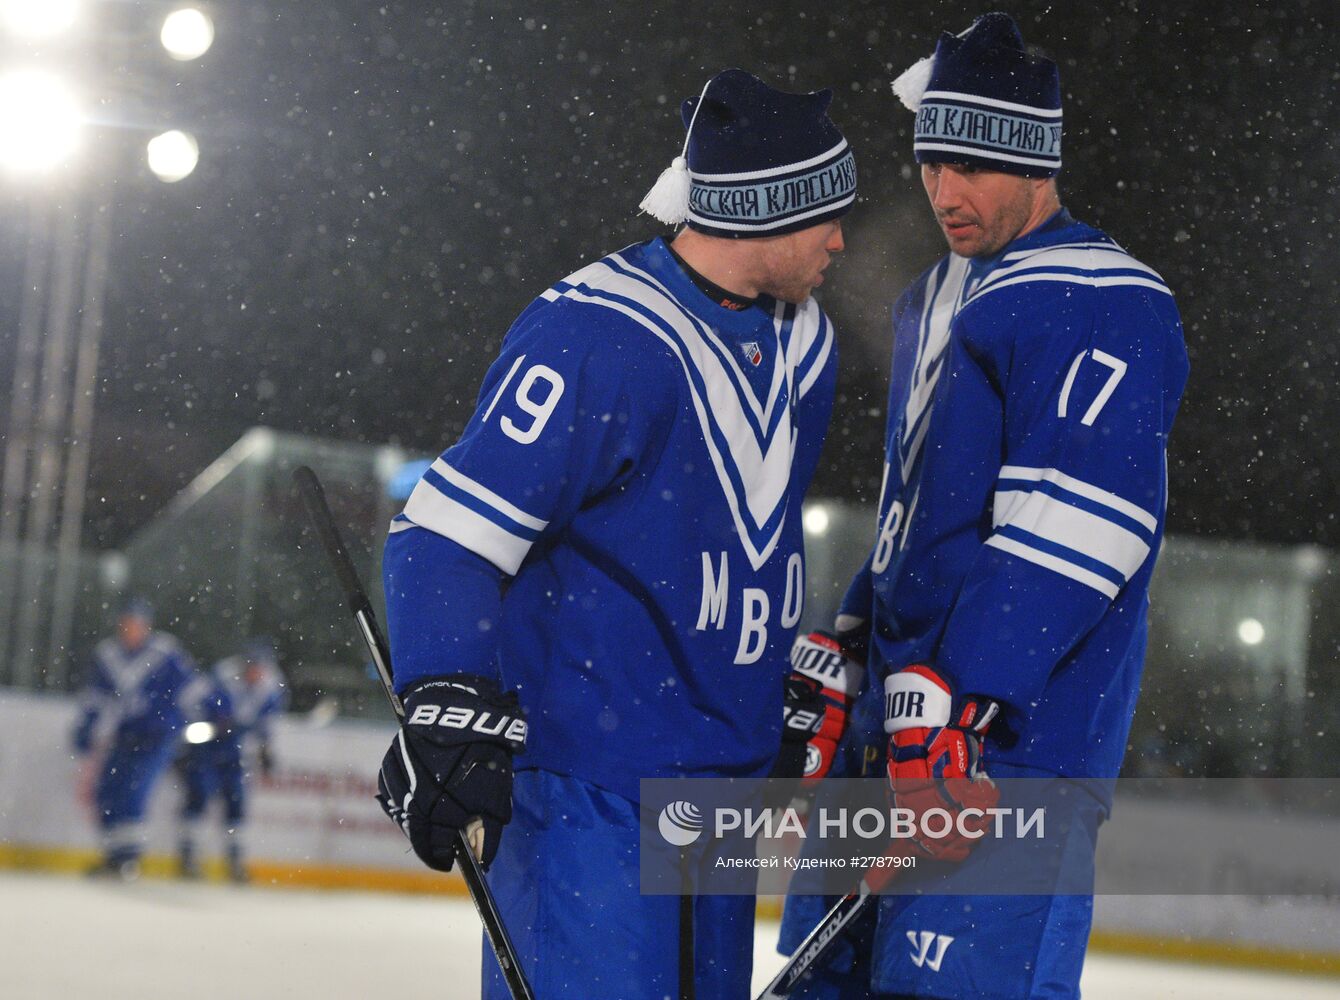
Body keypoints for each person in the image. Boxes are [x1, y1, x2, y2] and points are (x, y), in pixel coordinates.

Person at [376, 68, 859, 998]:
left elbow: (746, 538)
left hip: (720, 795)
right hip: (587, 789)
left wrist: (775, 680)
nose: (844, 237)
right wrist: (444, 699)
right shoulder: (594, 334)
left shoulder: (809, 343)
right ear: (763, 209)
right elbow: (447, 535)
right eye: (825, 212)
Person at [778, 13, 1189, 999]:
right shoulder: (933, 294)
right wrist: (854, 634)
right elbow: (915, 512)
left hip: (1000, 758)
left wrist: (956, 700)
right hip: (897, 735)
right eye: (929, 163)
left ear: (1035, 162)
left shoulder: (1103, 297)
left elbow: (1078, 523)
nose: (943, 192)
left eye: (972, 167)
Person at [72, 597, 198, 879]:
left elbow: (191, 692)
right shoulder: (108, 655)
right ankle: (112, 856)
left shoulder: (166, 653)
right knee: (108, 792)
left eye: (136, 624)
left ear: (146, 626)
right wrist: (86, 726)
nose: (130, 630)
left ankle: (128, 860)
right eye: (126, 624)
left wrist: (190, 726)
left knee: (133, 793)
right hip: (124, 736)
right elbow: (96, 698)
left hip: (156, 738)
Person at [177, 639, 288, 882]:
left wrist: (265, 748)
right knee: (199, 797)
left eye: (259, 667)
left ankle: (235, 860)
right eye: (251, 666)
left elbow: (266, 724)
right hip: (208, 748)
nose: (254, 672)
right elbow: (193, 704)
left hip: (237, 752)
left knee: (236, 804)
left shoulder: (271, 688)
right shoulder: (221, 676)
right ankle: (187, 857)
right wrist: (202, 732)